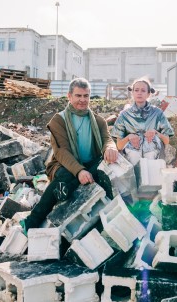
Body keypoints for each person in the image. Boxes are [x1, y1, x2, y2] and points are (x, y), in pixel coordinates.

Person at [20, 77, 118, 233]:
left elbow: (107, 138)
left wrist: (110, 148)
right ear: (69, 96)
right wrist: (79, 171)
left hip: (89, 164)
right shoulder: (59, 120)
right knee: (66, 176)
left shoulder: (98, 120)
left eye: (86, 96)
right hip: (63, 164)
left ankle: (67, 195)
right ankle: (32, 221)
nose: (82, 100)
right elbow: (61, 152)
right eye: (78, 96)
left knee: (105, 168)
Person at [111, 77, 174, 166]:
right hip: (131, 160)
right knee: (133, 153)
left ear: (148, 94)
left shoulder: (157, 113)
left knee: (151, 146)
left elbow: (167, 141)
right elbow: (119, 146)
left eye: (143, 90)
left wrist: (156, 133)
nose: (139, 93)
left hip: (153, 158)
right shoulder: (124, 115)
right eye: (136, 90)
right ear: (132, 92)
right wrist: (129, 137)